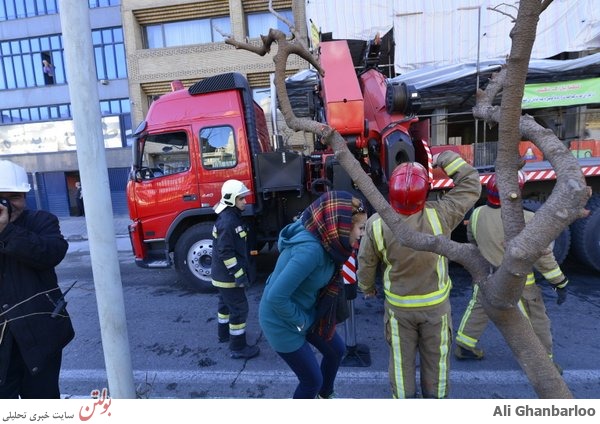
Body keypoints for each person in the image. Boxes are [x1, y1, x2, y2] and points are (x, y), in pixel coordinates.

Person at [357, 151, 481, 398]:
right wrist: (445, 158)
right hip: (435, 308)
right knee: (437, 363)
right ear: (424, 193)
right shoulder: (441, 215)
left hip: (398, 310)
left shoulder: (377, 223)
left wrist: (367, 287)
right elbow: (471, 185)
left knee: (401, 365)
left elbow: (366, 262)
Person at [259, 191, 367, 399]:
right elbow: (276, 297)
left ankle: (325, 396)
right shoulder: (311, 251)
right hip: (281, 320)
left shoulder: (330, 241)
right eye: (361, 228)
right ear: (343, 227)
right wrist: (304, 323)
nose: (362, 234)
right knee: (311, 380)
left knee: (336, 350)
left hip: (306, 310)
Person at [454, 172, 568, 365]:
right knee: (536, 319)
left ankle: (465, 345)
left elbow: (473, 241)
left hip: (488, 276)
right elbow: (543, 258)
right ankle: (543, 361)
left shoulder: (477, 214)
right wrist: (560, 283)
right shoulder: (528, 219)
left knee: (479, 306)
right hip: (520, 283)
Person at [0, 160, 74, 398]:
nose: (8, 205)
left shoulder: (41, 221)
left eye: (14, 197)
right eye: (1, 198)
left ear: (25, 196)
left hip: (41, 336)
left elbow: (51, 253)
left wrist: (6, 231)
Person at [211, 179, 260, 360]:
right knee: (239, 309)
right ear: (231, 200)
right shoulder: (228, 222)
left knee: (225, 305)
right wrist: (239, 275)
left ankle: (224, 335)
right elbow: (226, 253)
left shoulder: (229, 218)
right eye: (241, 199)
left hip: (221, 276)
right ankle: (238, 347)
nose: (245, 202)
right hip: (227, 277)